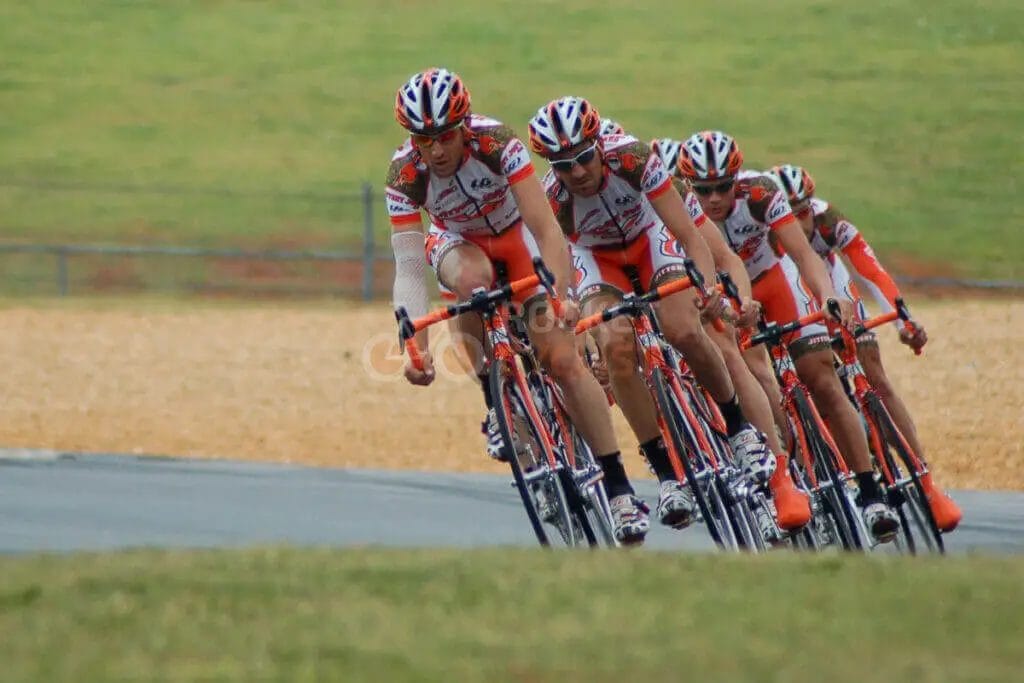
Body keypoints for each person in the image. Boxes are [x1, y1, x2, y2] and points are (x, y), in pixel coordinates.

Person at [385, 68, 649, 544]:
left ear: (464, 126)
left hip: (515, 236)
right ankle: (496, 400)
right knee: (472, 281)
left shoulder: (497, 144)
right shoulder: (404, 174)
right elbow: (407, 268)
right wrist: (416, 349)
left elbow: (548, 230)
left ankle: (619, 488)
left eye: (444, 136)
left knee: (565, 361)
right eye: (424, 140)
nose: (436, 150)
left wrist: (559, 298)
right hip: (458, 243)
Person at [528, 97, 779, 534]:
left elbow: (688, 234)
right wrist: (566, 307)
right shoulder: (552, 195)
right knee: (616, 348)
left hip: (649, 238)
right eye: (564, 165)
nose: (579, 172)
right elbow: (560, 262)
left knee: (682, 327)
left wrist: (706, 286)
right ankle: (665, 474)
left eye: (584, 158)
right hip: (595, 257)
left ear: (598, 146)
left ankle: (737, 427)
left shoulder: (634, 159)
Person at [676, 130, 901, 543]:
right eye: (704, 190)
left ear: (737, 179)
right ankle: (784, 471)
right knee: (747, 373)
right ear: (690, 186)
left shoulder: (760, 195)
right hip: (721, 294)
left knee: (821, 377)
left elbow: (804, 255)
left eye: (723, 187)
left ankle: (870, 493)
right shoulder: (678, 208)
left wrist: (830, 295)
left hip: (775, 283)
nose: (714, 199)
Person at [766, 163, 962, 531]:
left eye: (803, 211)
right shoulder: (763, 232)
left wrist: (903, 319)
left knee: (873, 371)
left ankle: (926, 480)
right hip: (786, 289)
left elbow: (868, 268)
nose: (800, 222)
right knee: (801, 372)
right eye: (790, 215)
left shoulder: (827, 221)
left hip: (829, 285)